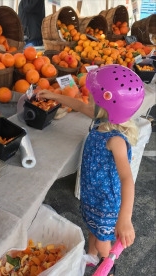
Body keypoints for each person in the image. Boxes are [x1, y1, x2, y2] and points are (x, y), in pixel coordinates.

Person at [37, 65, 145, 275]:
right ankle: (91, 256)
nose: (91, 100)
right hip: (93, 195)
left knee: (103, 239)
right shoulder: (102, 118)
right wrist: (53, 96)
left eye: (95, 97)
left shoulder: (115, 139)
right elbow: (78, 104)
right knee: (93, 229)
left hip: (106, 202)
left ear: (106, 103)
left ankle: (105, 267)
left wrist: (125, 219)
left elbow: (127, 179)